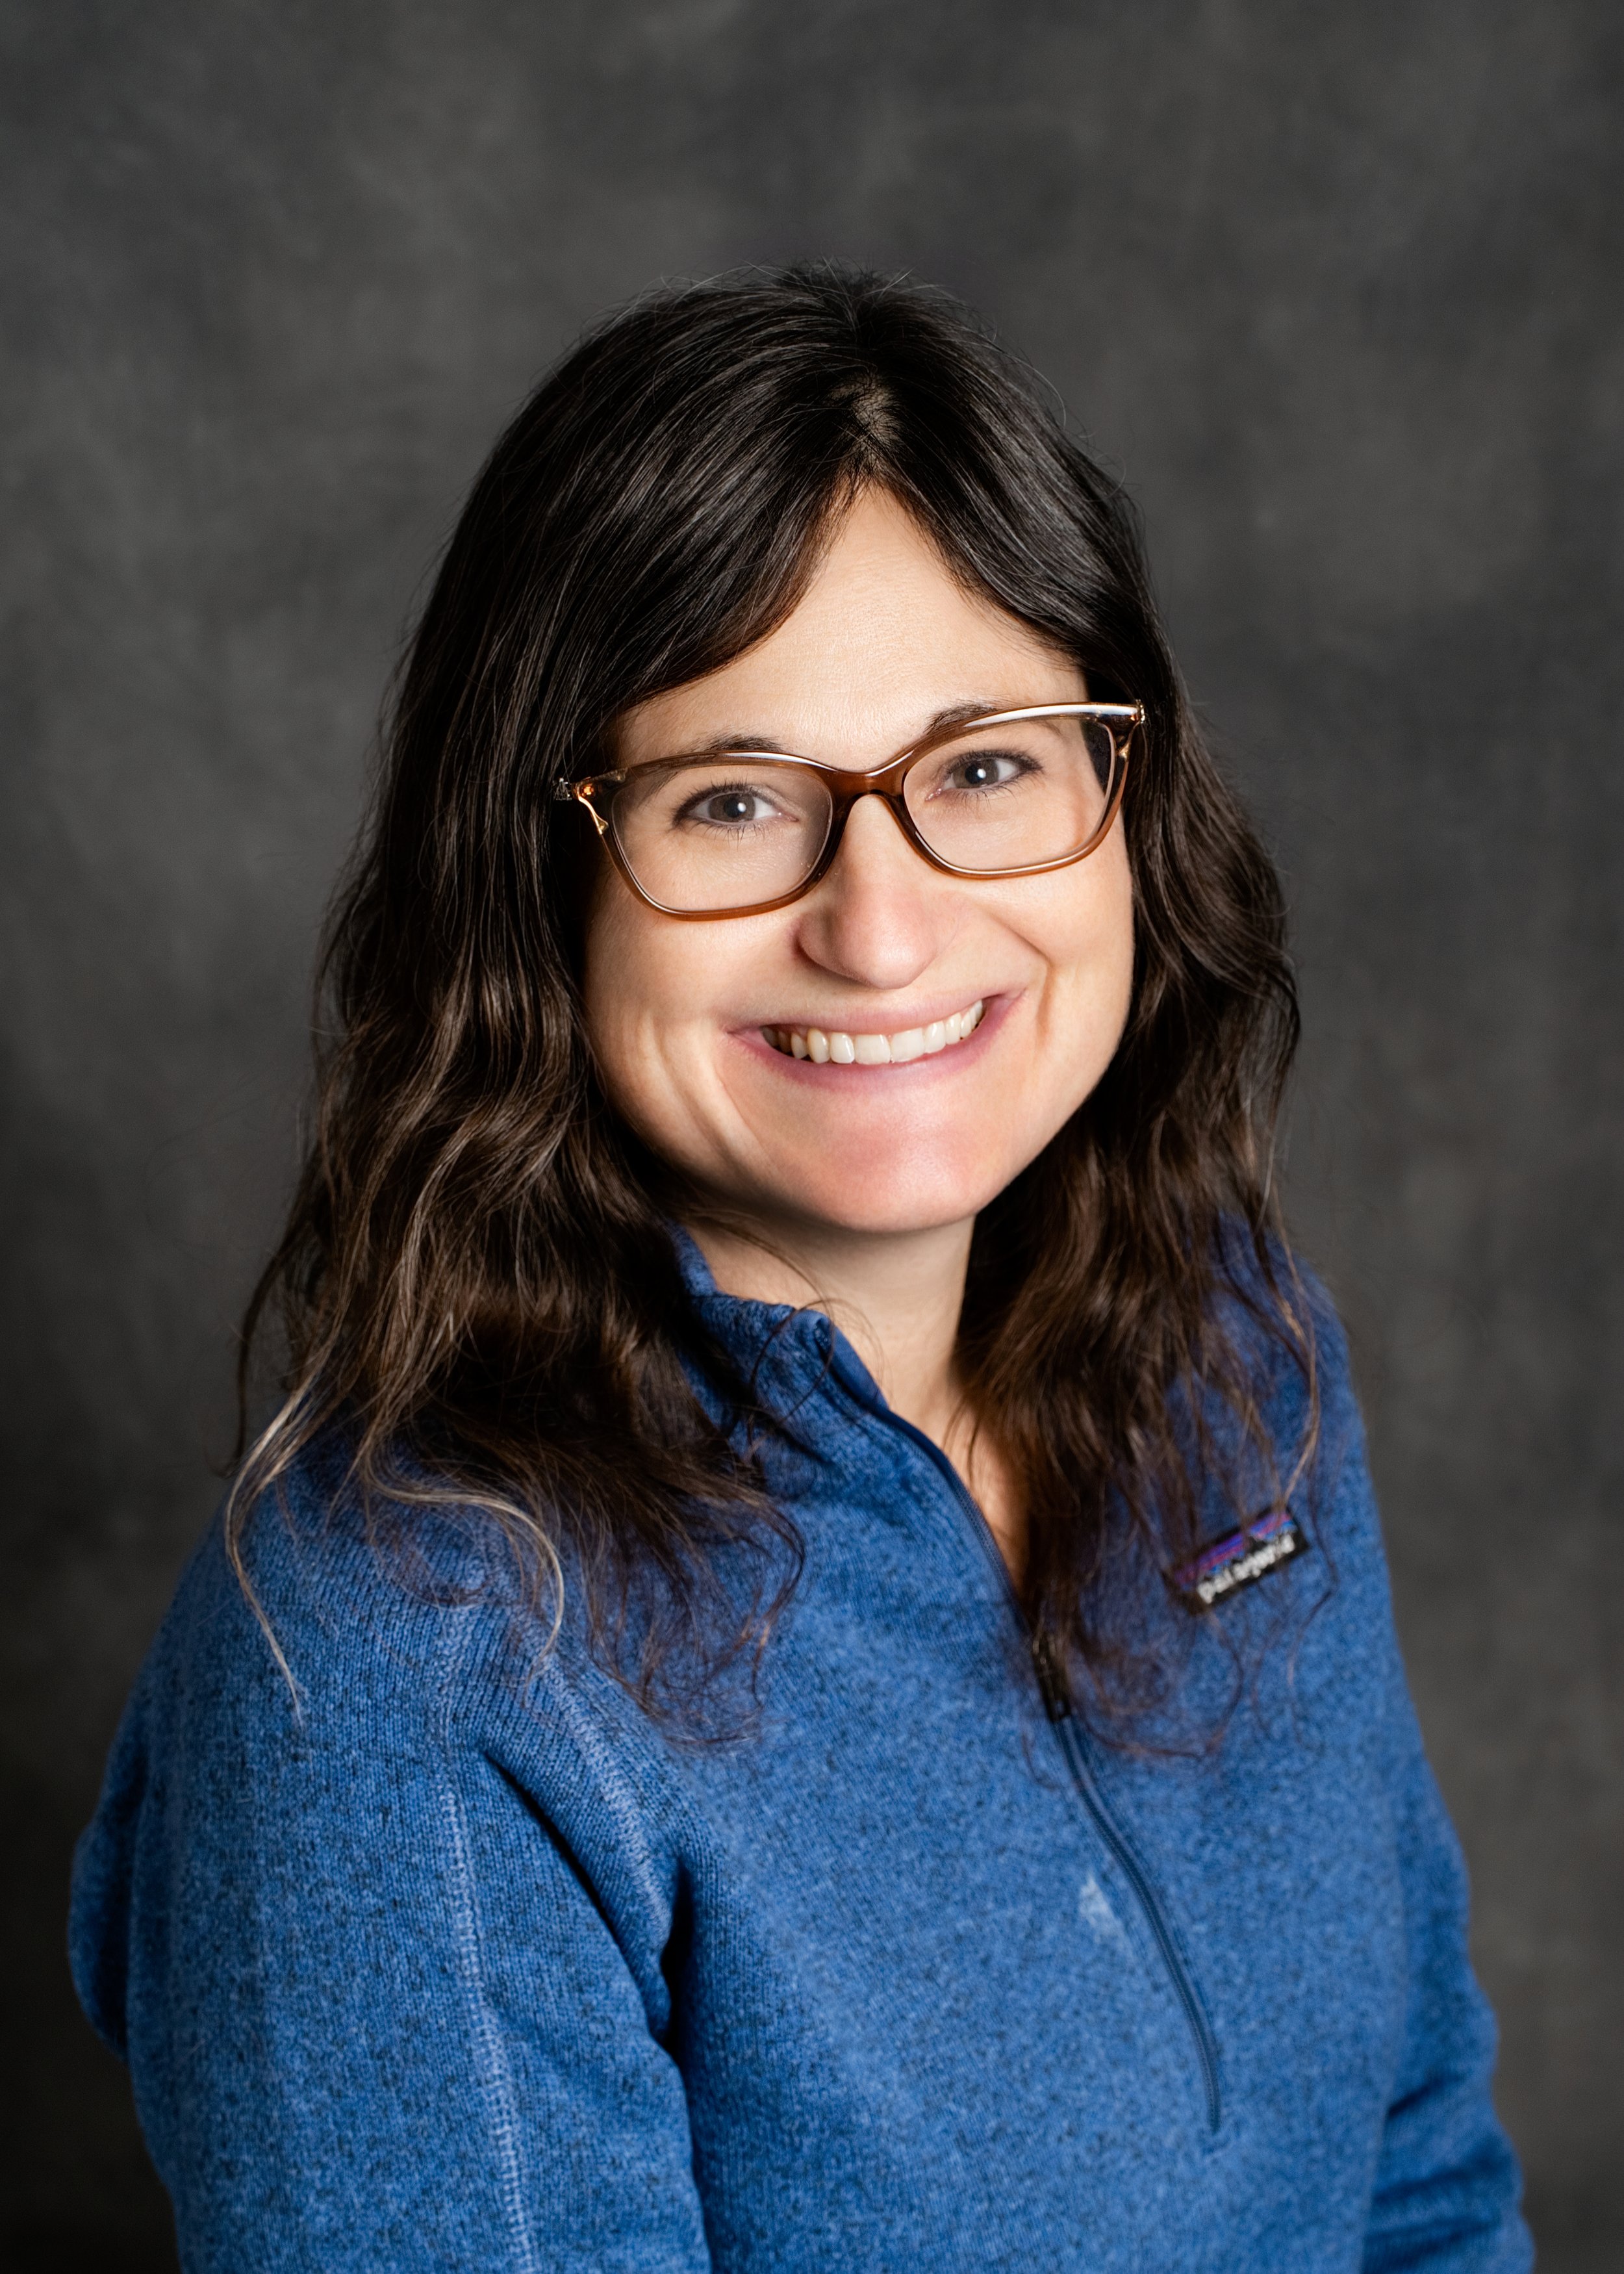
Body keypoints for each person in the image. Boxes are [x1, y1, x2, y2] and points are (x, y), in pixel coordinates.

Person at [70, 265, 1530, 2272]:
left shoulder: (1229, 1361)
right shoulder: (399, 1664)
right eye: (734, 801)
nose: (881, 923)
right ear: (542, 888)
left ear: (1127, 803)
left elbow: (1418, 2178)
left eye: (987, 765)